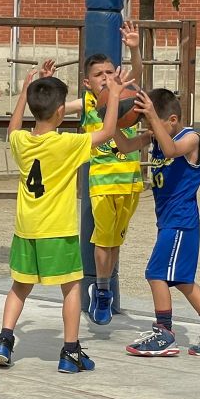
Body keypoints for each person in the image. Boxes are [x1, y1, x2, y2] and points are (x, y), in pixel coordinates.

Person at [0, 66, 126, 372]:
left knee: (19, 287)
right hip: (58, 231)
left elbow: (12, 129)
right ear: (62, 111)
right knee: (72, 288)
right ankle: (70, 351)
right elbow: (107, 132)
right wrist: (115, 95)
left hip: (26, 229)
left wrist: (25, 92)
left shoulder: (21, 141)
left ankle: (4, 341)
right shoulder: (67, 144)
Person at [112, 87, 200, 358]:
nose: (150, 129)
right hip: (170, 222)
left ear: (171, 120)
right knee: (182, 280)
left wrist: (152, 118)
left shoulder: (190, 138)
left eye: (153, 123)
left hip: (181, 221)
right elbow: (125, 146)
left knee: (155, 273)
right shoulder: (156, 135)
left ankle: (164, 333)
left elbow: (171, 150)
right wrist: (109, 118)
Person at [60, 20, 143, 324]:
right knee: (102, 241)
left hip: (130, 181)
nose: (106, 78)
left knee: (115, 242)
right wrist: (44, 85)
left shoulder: (125, 94)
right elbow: (56, 109)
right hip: (102, 184)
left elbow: (137, 71)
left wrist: (134, 49)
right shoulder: (87, 103)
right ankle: (102, 289)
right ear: (87, 82)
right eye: (99, 75)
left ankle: (105, 286)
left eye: (109, 72)